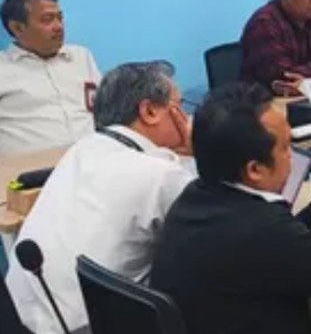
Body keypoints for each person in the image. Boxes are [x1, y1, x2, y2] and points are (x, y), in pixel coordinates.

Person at [151, 83, 311, 334]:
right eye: (286, 147)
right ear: (255, 170)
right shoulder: (259, 230)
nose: (292, 157)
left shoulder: (194, 199)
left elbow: (294, 241)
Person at [5, 61, 193, 334]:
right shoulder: (162, 174)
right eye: (179, 106)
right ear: (150, 111)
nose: (186, 118)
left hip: (23, 319)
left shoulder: (81, 149)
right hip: (90, 325)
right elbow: (219, 221)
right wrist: (199, 153)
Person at [0, 0, 101, 157]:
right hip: (31, 168)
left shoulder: (81, 57)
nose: (59, 27)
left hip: (93, 159)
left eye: (60, 18)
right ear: (17, 27)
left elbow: (104, 109)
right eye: (48, 20)